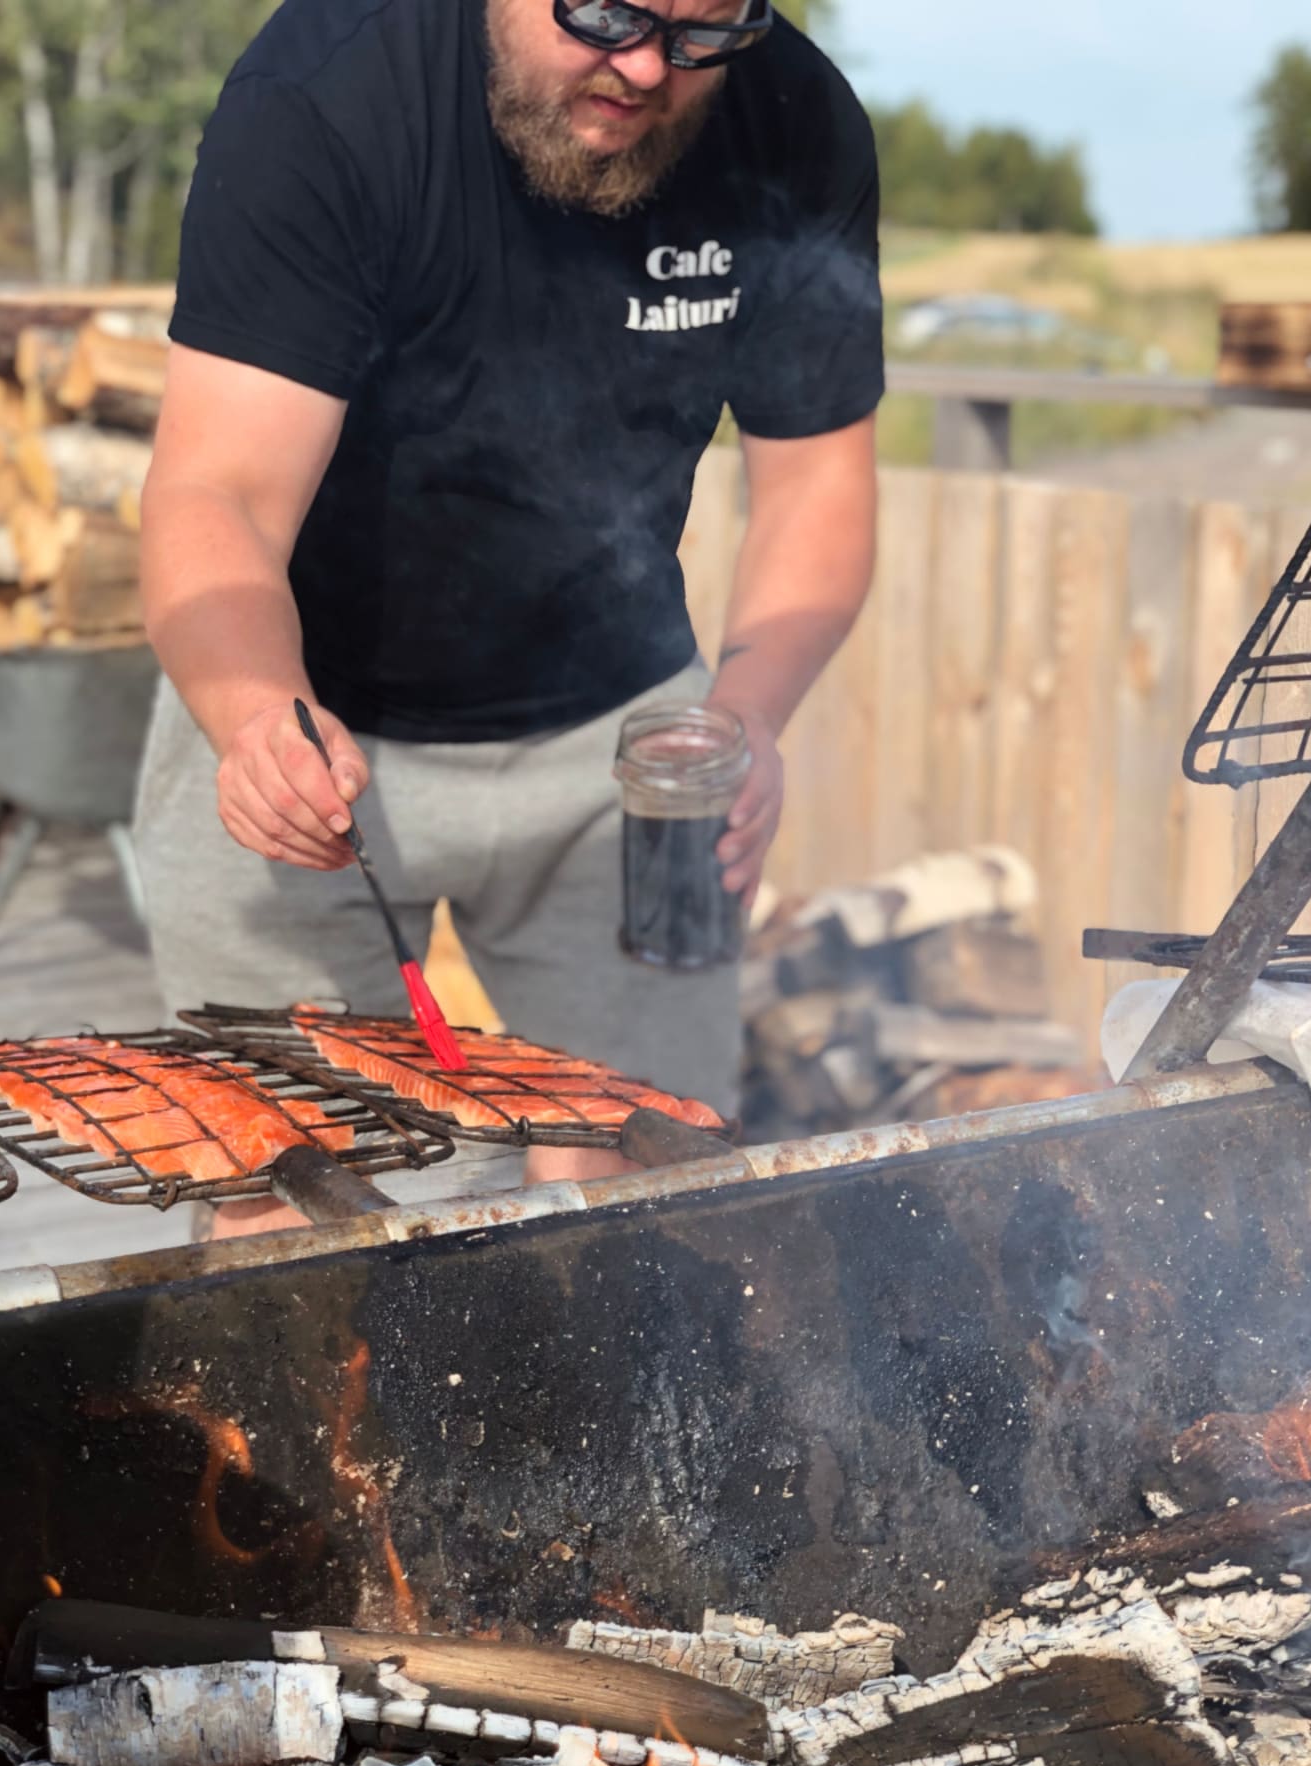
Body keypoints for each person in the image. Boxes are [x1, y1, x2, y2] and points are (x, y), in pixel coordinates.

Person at [135, 0, 883, 1237]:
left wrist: (745, 720)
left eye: (701, 36)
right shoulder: (326, 94)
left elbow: (816, 485)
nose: (645, 67)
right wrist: (256, 716)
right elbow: (216, 493)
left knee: (648, 1189)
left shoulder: (796, 117)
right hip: (302, 727)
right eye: (608, 11)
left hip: (622, 747)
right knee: (292, 1217)